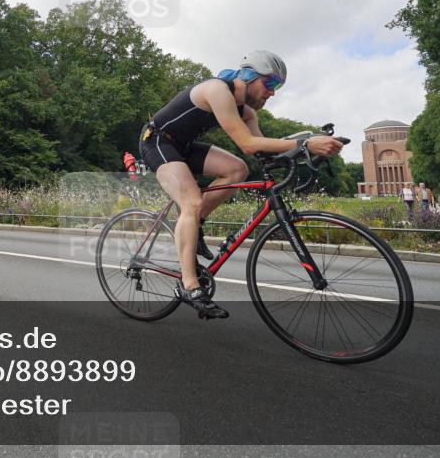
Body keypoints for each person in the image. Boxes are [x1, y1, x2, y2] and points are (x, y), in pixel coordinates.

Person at [139, 50, 343, 319]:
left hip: (184, 146)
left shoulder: (246, 113)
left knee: (238, 169)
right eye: (269, 84)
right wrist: (305, 143)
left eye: (277, 87)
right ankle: (189, 285)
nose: (272, 93)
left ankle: (193, 221)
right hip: (157, 141)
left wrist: (304, 149)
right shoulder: (216, 90)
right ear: (248, 76)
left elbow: (260, 150)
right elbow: (247, 143)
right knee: (191, 200)